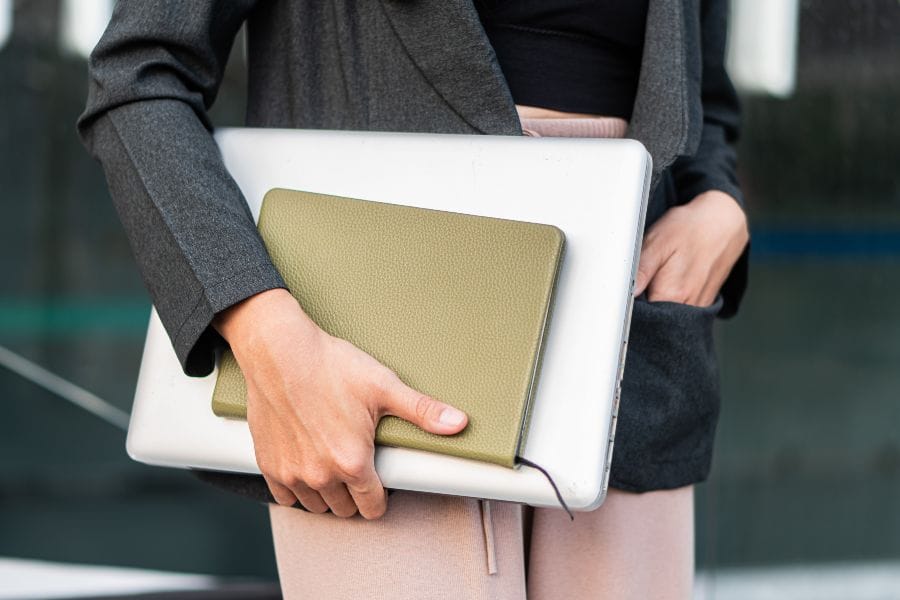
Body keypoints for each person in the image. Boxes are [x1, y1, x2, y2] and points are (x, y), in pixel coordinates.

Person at [78, 1, 749, 598]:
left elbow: (703, 96)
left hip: (635, 337)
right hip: (373, 351)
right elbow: (142, 69)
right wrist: (263, 327)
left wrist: (717, 199)